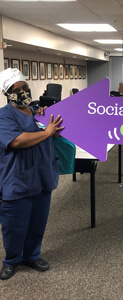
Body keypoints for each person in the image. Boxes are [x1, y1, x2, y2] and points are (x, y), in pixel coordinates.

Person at [0, 68, 64, 280]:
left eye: (24, 87)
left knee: (38, 222)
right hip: (18, 180)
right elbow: (17, 141)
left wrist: (50, 128)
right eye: (15, 89)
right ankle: (11, 260)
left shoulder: (40, 111)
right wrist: (46, 132)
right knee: (14, 225)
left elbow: (55, 134)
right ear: (6, 94)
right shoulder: (4, 116)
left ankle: (32, 255)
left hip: (43, 176)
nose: (21, 92)